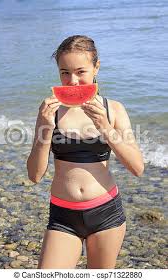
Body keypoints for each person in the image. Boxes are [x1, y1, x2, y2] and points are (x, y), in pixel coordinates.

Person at [27, 35, 144, 269]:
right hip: (63, 216)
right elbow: (35, 175)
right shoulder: (51, 112)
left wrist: (106, 128)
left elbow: (137, 168)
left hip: (106, 214)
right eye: (64, 72)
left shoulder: (114, 109)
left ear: (96, 67)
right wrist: (44, 127)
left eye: (80, 71)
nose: (72, 82)